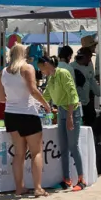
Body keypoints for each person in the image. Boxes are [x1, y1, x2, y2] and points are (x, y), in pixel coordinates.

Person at [0, 43, 48, 196]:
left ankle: (19, 187)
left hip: (11, 114)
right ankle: (38, 188)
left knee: (19, 153)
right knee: (36, 152)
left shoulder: (3, 72)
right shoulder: (27, 68)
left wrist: (13, 99)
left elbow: (0, 98)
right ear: (24, 54)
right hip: (28, 113)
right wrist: (45, 104)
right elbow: (33, 90)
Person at [40, 55, 85, 190]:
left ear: (47, 64)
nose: (41, 71)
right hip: (61, 111)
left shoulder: (63, 73)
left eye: (41, 68)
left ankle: (82, 180)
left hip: (72, 111)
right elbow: (46, 95)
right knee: (63, 148)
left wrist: (70, 116)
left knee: (73, 146)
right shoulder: (52, 78)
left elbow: (72, 95)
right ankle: (66, 179)